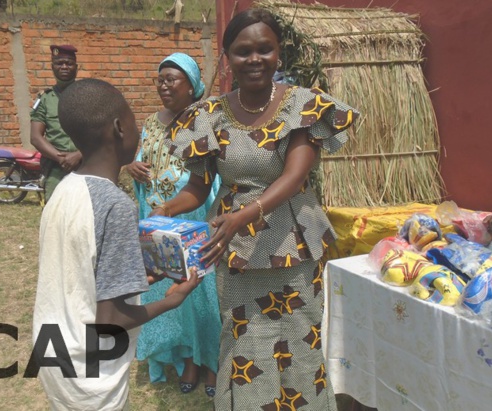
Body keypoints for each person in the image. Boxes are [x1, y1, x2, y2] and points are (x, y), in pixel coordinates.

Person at [153, 9, 360, 410]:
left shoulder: (302, 105)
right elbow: (198, 187)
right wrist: (168, 208)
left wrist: (244, 215)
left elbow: (294, 176)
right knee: (245, 340)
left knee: (300, 339)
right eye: (243, 51)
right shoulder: (208, 115)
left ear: (278, 53)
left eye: (265, 49)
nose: (255, 59)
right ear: (227, 57)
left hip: (292, 243)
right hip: (237, 253)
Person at [32, 78, 200, 411]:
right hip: (90, 370)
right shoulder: (115, 205)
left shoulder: (64, 189)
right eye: (135, 122)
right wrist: (173, 301)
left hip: (53, 350)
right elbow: (110, 320)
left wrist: (137, 276)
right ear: (120, 128)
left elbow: (82, 270)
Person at [125, 53, 221, 397]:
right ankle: (186, 357)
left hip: (192, 218)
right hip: (155, 219)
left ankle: (210, 362)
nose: (164, 85)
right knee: (167, 293)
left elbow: (212, 173)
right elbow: (142, 156)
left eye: (172, 79)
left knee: (201, 294)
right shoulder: (151, 122)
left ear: (193, 85)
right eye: (160, 79)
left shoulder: (204, 121)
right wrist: (132, 166)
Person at [30, 44, 83, 202]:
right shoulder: (45, 99)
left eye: (69, 63)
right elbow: (35, 137)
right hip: (55, 169)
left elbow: (101, 133)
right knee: (54, 217)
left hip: (86, 165)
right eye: (59, 63)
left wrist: (79, 154)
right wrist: (61, 158)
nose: (64, 66)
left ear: (76, 67)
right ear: (52, 67)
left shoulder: (88, 95)